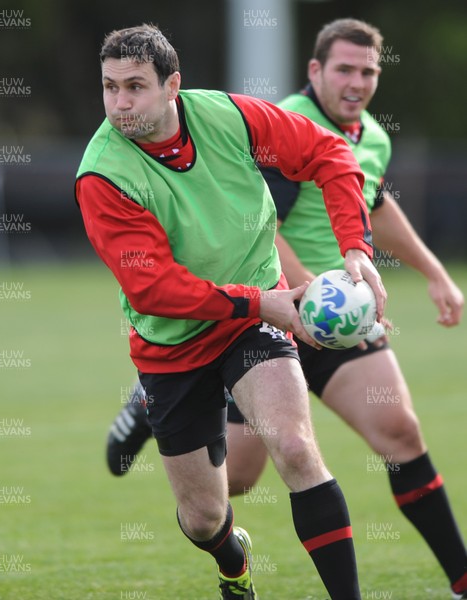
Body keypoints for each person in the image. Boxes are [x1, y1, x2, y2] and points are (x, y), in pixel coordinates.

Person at [105, 19, 467, 599]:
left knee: (331, 444)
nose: (120, 104)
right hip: (233, 319)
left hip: (296, 316)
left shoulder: (364, 134)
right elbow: (207, 255)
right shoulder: (119, 168)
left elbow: (366, 194)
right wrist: (302, 299)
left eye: (368, 70)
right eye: (111, 87)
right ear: (316, 71)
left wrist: (391, 264)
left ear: (171, 85)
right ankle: (160, 418)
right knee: (215, 505)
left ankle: (459, 577)